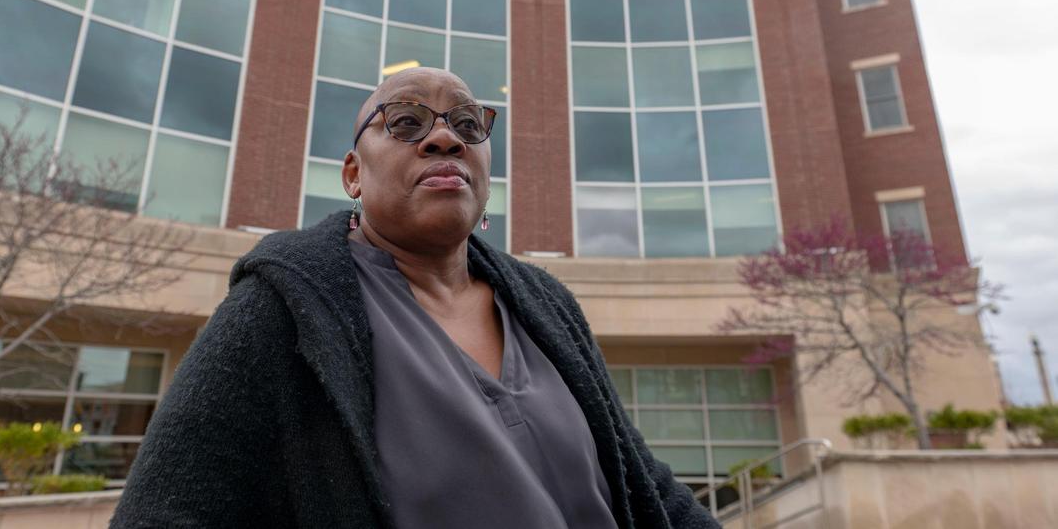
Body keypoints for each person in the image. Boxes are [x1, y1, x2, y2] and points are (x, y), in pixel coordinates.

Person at [110, 67, 718, 528]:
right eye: (405, 122)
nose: (444, 140)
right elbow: (163, 513)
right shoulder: (283, 304)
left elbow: (644, 484)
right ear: (352, 173)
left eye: (467, 124)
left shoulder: (548, 304)